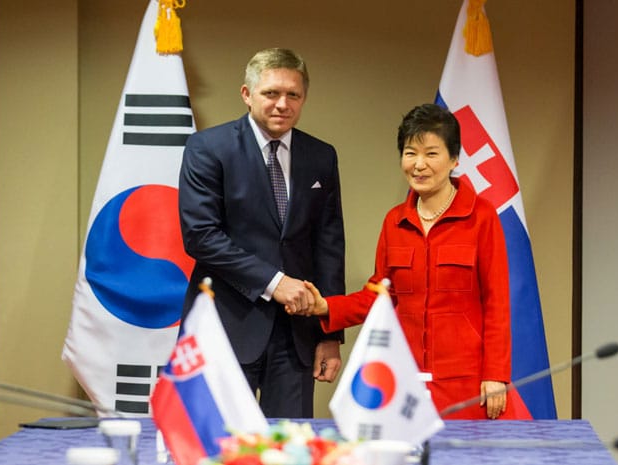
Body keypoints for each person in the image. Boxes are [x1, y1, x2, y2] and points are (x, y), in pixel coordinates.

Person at [291, 103, 531, 420]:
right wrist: (327, 307)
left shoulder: (482, 217)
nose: (418, 165)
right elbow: (381, 297)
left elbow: (497, 301)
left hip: (468, 383)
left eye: (431, 154)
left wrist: (496, 374)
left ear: (454, 159)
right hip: (405, 381)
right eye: (410, 153)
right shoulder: (395, 221)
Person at [178, 48, 345, 418]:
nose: (282, 104)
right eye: (271, 93)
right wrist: (274, 282)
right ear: (246, 94)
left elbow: (329, 247)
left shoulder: (321, 156)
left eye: (293, 95)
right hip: (224, 327)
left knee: (290, 448)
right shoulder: (208, 148)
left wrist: (330, 333)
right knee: (214, 449)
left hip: (296, 337)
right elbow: (201, 236)